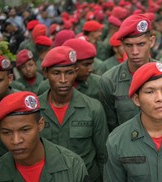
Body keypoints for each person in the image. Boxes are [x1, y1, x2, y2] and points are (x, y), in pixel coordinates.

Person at [99, 14, 162, 132]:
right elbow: (111, 127)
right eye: (129, 45)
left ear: (151, 41)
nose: (135, 52)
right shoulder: (109, 81)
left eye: (141, 44)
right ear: (122, 45)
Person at [38, 46, 108, 182]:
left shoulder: (93, 108)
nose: (63, 79)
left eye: (69, 72)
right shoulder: (35, 110)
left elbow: (103, 155)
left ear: (76, 72)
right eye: (56, 73)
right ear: (45, 73)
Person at [0, 91, 89, 181]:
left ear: (40, 125)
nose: (16, 140)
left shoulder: (72, 166)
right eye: (6, 132)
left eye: (25, 130)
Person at [37, 38, 101, 100]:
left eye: (91, 64)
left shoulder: (98, 84)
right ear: (73, 65)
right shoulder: (46, 87)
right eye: (86, 65)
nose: (91, 69)